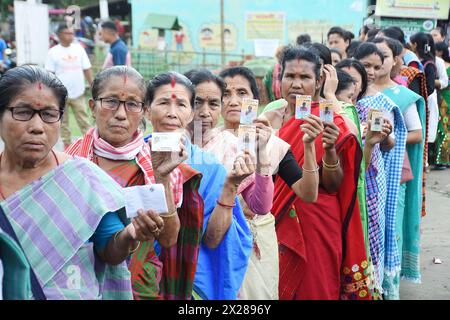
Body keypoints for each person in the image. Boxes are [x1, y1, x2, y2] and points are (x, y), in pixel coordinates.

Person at [0, 65, 163, 300]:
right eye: (23, 112)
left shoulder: (81, 178)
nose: (37, 127)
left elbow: (110, 250)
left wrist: (130, 234)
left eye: (48, 114)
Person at [65, 66, 202, 300]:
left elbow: (168, 239)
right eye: (110, 101)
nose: (120, 114)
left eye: (131, 104)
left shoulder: (159, 161)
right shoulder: (70, 161)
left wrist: (162, 178)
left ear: (144, 111)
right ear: (92, 107)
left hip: (138, 285)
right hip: (77, 281)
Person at [264, 46, 370, 300]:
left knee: (316, 287)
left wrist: (331, 150)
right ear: (280, 79)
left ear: (319, 80)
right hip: (273, 217)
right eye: (290, 76)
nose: (296, 84)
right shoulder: (269, 118)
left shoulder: (329, 118)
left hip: (317, 220)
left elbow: (335, 186)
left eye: (305, 78)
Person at [144, 71, 253, 300]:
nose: (172, 113)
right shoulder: (136, 158)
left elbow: (213, 240)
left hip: (191, 282)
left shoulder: (211, 168)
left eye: (181, 104)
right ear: (146, 109)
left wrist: (230, 187)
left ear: (189, 113)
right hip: (139, 278)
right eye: (163, 102)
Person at [371, 36, 426, 299]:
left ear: (395, 60)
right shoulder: (359, 91)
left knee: (390, 224)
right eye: (372, 55)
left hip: (393, 169)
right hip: (367, 168)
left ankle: (388, 284)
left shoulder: (402, 96)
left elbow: (416, 132)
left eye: (383, 55)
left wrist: (390, 137)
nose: (377, 61)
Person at [354, 42, 408, 298]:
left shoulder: (378, 102)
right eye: (366, 66)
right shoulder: (343, 99)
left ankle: (373, 287)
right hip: (347, 177)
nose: (372, 72)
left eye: (376, 66)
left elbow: (391, 142)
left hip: (373, 180)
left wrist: (383, 135)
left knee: (372, 232)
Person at [45, 23, 93, 149]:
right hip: (60, 95)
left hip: (78, 93)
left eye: (72, 33)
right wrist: (51, 93)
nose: (71, 36)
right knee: (63, 122)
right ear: (60, 35)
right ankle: (67, 147)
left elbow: (87, 68)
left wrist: (92, 84)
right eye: (67, 33)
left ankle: (89, 146)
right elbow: (50, 74)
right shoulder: (53, 52)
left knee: (84, 120)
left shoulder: (79, 49)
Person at [435, 42, 450, 167]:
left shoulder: (441, 65)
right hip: (442, 100)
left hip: (444, 101)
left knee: (443, 130)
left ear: (440, 52)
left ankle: (443, 160)